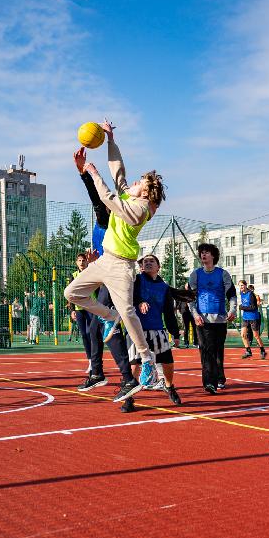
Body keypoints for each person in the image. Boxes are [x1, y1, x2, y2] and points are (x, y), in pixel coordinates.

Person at [63, 120, 166, 400]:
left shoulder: (140, 208)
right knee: (71, 292)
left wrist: (92, 171)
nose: (132, 183)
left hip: (121, 266)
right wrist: (109, 139)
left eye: (139, 183)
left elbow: (108, 198)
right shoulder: (130, 194)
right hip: (104, 261)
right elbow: (118, 168)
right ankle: (110, 316)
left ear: (145, 192)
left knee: (130, 313)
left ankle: (147, 363)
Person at [71, 144, 149, 411]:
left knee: (108, 330)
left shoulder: (116, 214)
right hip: (104, 268)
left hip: (119, 271)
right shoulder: (101, 223)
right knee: (96, 328)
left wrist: (87, 173)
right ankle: (101, 373)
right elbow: (105, 189)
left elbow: (99, 196)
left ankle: (126, 381)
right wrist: (85, 170)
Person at [129, 254, 183, 405]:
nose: (148, 263)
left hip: (158, 330)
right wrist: (139, 302)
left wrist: (175, 333)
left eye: (151, 261)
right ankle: (129, 397)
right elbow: (129, 296)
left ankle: (169, 387)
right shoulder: (137, 280)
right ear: (141, 267)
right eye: (145, 261)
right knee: (134, 364)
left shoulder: (164, 288)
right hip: (137, 330)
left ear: (158, 267)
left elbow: (169, 312)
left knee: (168, 363)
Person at [189, 242, 237, 394]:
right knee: (206, 350)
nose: (203, 255)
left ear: (214, 255)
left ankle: (220, 378)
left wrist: (232, 310)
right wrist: (195, 315)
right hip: (202, 320)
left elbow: (231, 294)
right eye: (202, 252)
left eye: (207, 252)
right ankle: (209, 383)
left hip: (220, 320)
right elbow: (190, 298)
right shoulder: (195, 275)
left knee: (217, 350)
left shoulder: (223, 274)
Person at [237, 279, 266, 360]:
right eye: (239, 286)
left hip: (253, 317)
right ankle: (248, 351)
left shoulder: (251, 294)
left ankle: (262, 350)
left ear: (245, 285)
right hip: (245, 317)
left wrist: (242, 307)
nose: (241, 287)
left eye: (242, 285)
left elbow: (254, 307)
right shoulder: (241, 293)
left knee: (256, 336)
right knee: (243, 334)